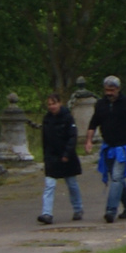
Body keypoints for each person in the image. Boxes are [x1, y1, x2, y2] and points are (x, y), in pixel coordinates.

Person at [84, 76, 126, 223]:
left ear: (118, 89)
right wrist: (88, 141)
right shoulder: (100, 104)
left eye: (112, 90)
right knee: (117, 178)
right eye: (106, 90)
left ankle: (111, 210)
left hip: (123, 147)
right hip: (108, 147)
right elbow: (93, 124)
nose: (109, 93)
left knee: (116, 178)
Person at [39, 93, 83, 224]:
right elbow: (45, 140)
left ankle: (78, 209)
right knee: (49, 185)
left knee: (72, 184)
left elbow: (72, 137)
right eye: (49, 104)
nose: (51, 107)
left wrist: (67, 154)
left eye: (54, 103)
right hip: (52, 157)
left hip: (67, 157)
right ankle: (47, 213)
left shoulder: (68, 117)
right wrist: (46, 157)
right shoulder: (47, 119)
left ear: (59, 103)